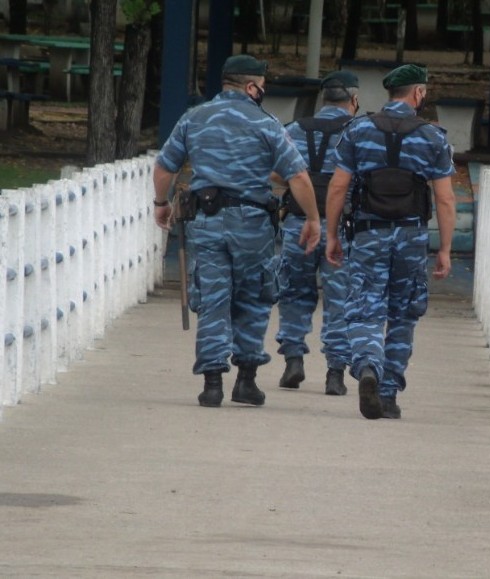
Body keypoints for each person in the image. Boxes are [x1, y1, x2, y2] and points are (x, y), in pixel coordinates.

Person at [152, 54, 321, 408]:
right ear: (250, 86)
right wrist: (313, 219)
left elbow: (165, 167)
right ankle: (246, 380)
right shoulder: (267, 123)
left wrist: (161, 203)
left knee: (213, 299)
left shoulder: (194, 118)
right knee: (254, 297)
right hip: (253, 225)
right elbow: (299, 177)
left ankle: (212, 383)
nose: (264, 91)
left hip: (207, 222)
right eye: (262, 85)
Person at [325, 63, 456, 420]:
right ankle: (388, 394)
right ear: (418, 93)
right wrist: (444, 248)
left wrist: (333, 235)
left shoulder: (358, 130)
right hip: (411, 235)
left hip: (367, 233)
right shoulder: (433, 137)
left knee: (365, 307)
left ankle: (368, 364)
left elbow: (338, 186)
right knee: (403, 312)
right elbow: (444, 199)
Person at [274, 70, 360, 396]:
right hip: (342, 230)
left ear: (324, 99)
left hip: (298, 224)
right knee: (340, 299)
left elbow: (274, 169)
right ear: (354, 99)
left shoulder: (295, 129)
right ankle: (335, 374)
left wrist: (300, 184)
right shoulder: (357, 131)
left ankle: (293, 360)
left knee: (294, 293)